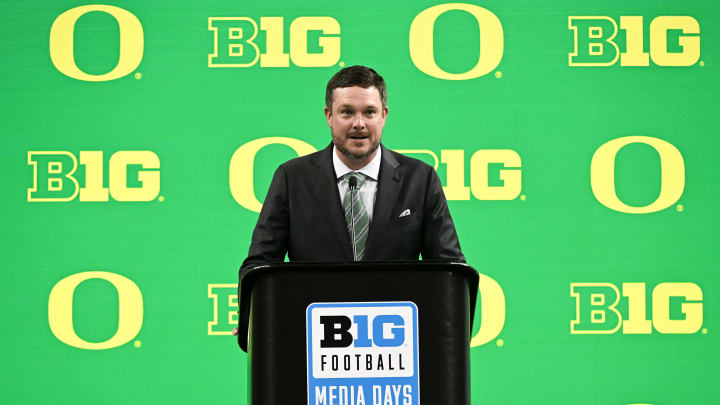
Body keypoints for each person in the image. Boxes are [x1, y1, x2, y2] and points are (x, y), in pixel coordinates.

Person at [239, 65, 465, 277]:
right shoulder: (292, 179)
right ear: (329, 115)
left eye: (369, 112)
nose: (359, 123)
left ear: (384, 115)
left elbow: (450, 270)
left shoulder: (420, 179)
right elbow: (258, 269)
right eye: (347, 113)